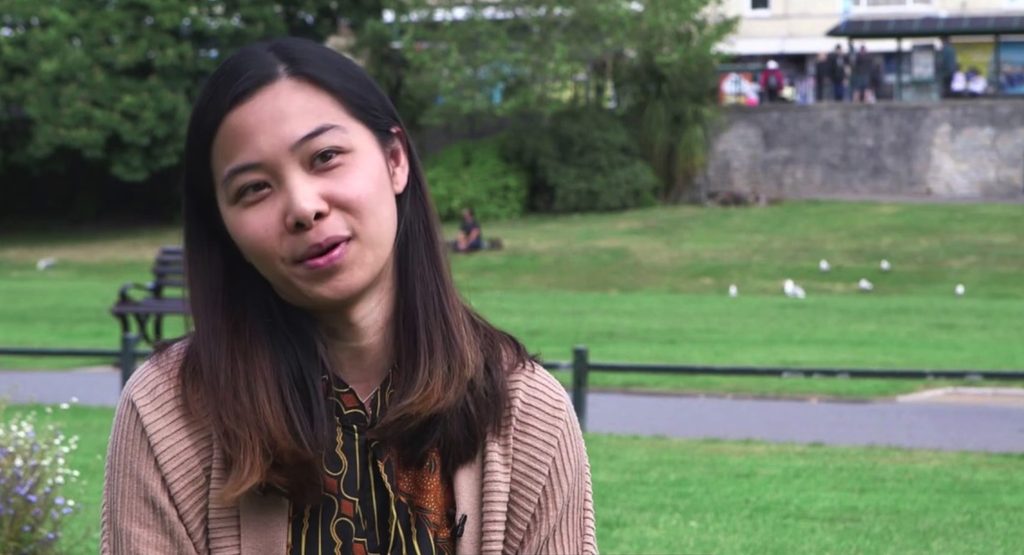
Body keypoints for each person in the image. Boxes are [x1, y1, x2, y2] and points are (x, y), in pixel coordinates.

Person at [101, 37, 596, 555]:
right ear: (225, 228)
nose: (302, 207)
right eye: (254, 188)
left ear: (395, 160)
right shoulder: (167, 417)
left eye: (325, 157)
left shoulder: (527, 414)